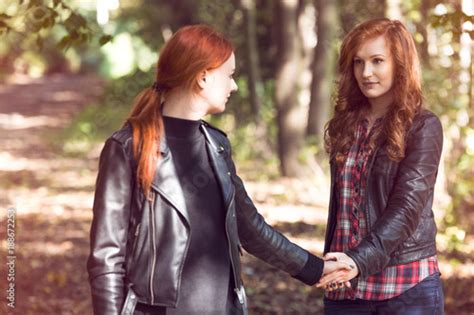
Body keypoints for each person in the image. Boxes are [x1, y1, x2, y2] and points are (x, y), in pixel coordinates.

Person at [86, 24, 351, 315]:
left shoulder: (217, 145)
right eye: (230, 75)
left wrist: (313, 268)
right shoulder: (128, 148)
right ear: (203, 77)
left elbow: (251, 228)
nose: (234, 86)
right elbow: (106, 258)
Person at [315, 18, 445, 314]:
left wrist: (359, 260)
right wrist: (341, 263)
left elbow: (408, 206)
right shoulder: (346, 123)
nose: (366, 72)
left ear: (400, 64)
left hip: (406, 287)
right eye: (358, 62)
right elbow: (345, 208)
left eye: (377, 61)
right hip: (346, 288)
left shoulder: (423, 126)